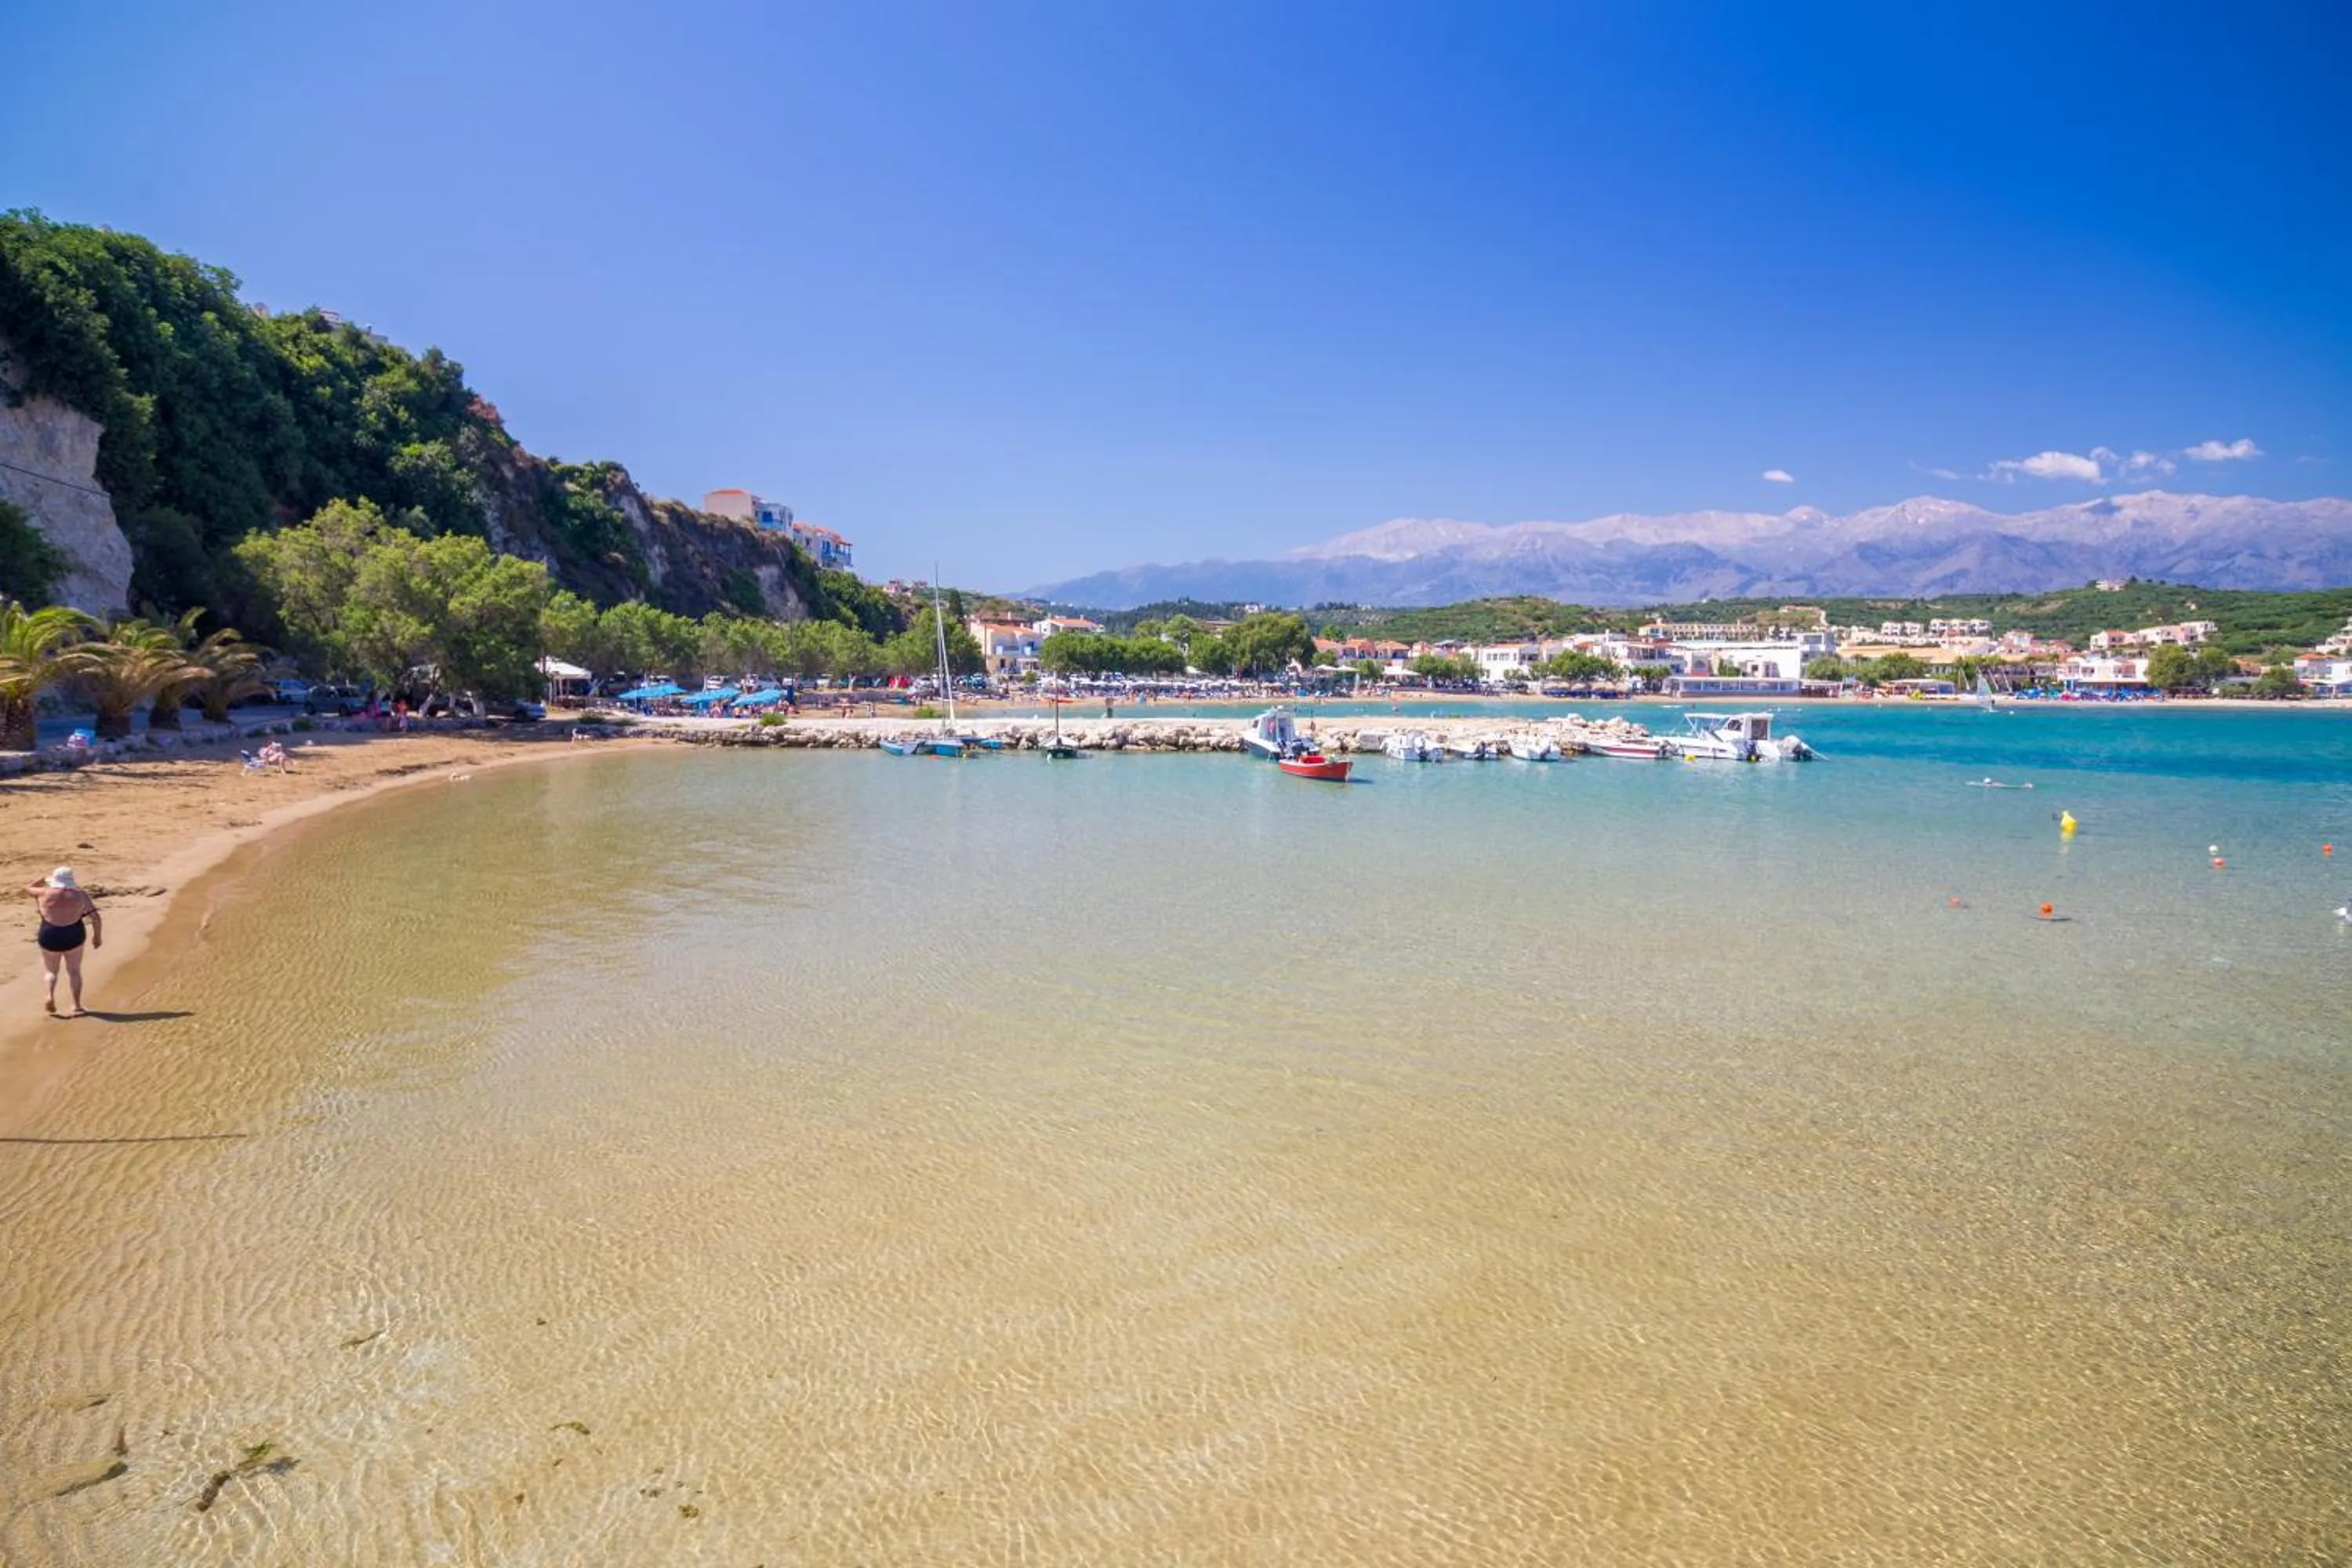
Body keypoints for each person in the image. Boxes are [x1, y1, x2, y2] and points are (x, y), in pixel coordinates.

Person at [27, 866, 100, 1018]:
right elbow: (96, 918)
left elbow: (28, 888)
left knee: (51, 971)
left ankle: (49, 995)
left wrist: (42, 879)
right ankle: (77, 1006)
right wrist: (97, 937)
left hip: (49, 934)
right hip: (73, 935)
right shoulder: (81, 895)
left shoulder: (44, 893)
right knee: (74, 971)